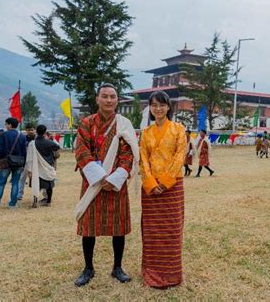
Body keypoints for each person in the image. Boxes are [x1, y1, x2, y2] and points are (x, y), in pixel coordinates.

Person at [73, 84, 139, 287]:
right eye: (105, 96)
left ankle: (117, 267)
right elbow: (81, 151)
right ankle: (88, 268)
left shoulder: (124, 124)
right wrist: (100, 177)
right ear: (97, 99)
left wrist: (115, 178)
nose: (109, 100)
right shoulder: (86, 123)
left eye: (113, 96)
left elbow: (129, 154)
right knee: (88, 227)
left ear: (117, 100)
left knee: (118, 228)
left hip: (115, 184)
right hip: (93, 182)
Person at [139, 90, 186, 288]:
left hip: (172, 187)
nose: (158, 108)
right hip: (150, 190)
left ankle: (172, 275)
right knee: (152, 232)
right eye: (154, 105)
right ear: (150, 108)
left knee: (172, 231)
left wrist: (165, 182)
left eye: (162, 105)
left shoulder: (178, 129)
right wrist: (150, 183)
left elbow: (180, 156)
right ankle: (152, 272)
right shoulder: (146, 133)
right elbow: (143, 160)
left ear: (168, 107)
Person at [0, 117, 27, 209]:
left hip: (6, 162)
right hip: (18, 163)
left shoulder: (3, 135)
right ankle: (13, 204)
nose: (6, 126)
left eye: (6, 124)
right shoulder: (22, 136)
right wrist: (24, 163)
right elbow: (24, 151)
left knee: (1, 183)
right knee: (15, 183)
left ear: (10, 125)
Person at [25, 124, 60, 207]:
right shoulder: (49, 142)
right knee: (49, 185)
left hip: (36, 167)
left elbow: (29, 157)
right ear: (45, 132)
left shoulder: (32, 143)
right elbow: (57, 147)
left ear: (36, 131)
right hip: (48, 166)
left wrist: (29, 170)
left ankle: (35, 202)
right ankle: (48, 201)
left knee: (36, 184)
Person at [17, 123, 36, 201]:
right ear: (26, 131)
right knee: (22, 178)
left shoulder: (38, 139)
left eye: (32, 130)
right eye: (28, 130)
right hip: (24, 162)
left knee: (36, 178)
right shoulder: (22, 139)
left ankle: (37, 194)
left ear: (35, 130)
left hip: (35, 162)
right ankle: (19, 194)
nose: (30, 131)